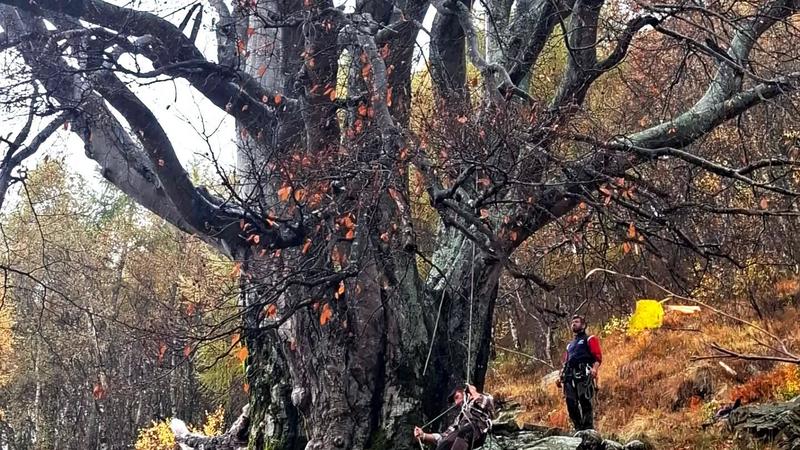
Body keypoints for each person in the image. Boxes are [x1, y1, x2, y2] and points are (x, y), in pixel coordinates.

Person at [413, 384, 495, 449]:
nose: (456, 403)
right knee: (443, 444)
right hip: (462, 435)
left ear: (465, 392)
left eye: (457, 397)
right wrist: (423, 435)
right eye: (454, 400)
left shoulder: (485, 398)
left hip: (477, 430)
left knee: (464, 431)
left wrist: (473, 392)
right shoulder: (460, 418)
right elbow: (443, 436)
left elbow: (488, 402)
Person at [556, 314, 602, 431]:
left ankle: (588, 430)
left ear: (583, 325)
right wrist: (560, 376)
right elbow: (565, 362)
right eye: (572, 322)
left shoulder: (590, 339)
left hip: (584, 374)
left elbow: (597, 357)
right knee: (570, 403)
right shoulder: (569, 345)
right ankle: (578, 429)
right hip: (569, 376)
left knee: (585, 400)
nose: (574, 324)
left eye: (576, 322)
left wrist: (595, 369)